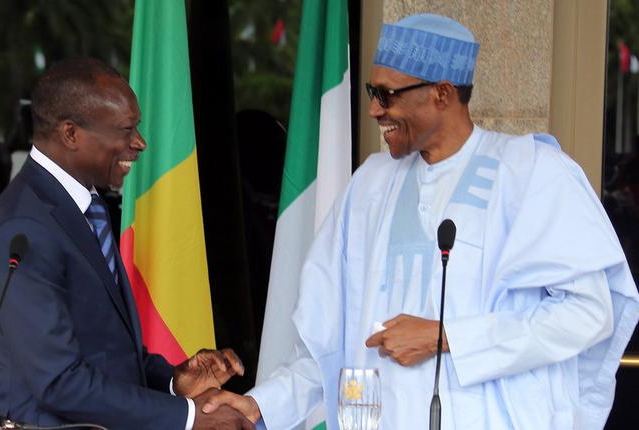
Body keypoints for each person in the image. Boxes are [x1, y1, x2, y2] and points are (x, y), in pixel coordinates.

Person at [201, 13, 639, 429]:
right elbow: (327, 339)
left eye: (387, 94)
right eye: (374, 93)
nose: (374, 110)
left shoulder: (530, 172)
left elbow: (589, 313)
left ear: (442, 93)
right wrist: (260, 403)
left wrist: (447, 337)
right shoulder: (369, 185)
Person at [0, 58, 254, 430]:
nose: (139, 143)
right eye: (126, 130)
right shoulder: (23, 227)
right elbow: (59, 381)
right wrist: (189, 418)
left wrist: (173, 381)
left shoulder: (86, 205)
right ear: (70, 134)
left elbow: (106, 351)